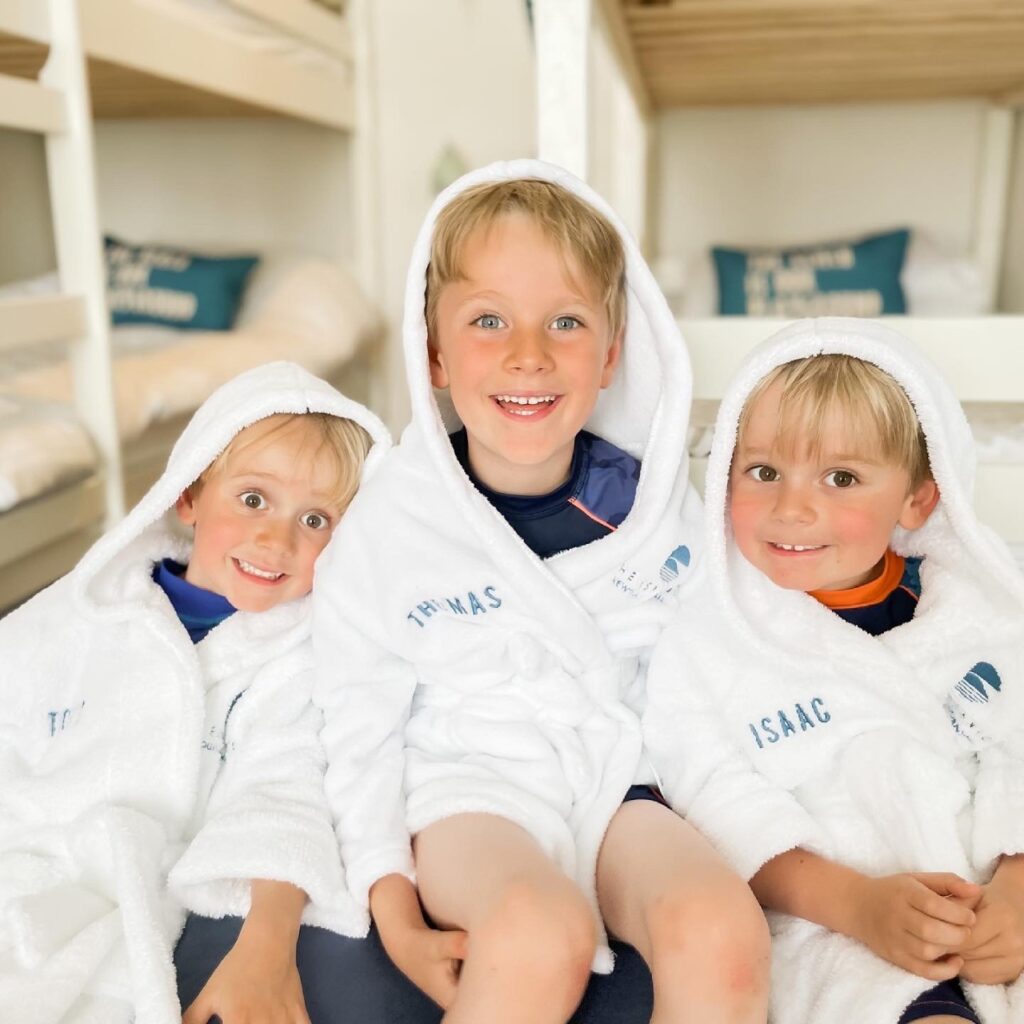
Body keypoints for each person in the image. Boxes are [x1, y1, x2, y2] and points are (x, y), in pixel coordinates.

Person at [314, 161, 770, 1024]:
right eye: (489, 320)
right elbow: (356, 724)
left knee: (721, 931)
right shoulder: (391, 525)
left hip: (619, 779)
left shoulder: (651, 506)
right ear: (435, 354)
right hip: (470, 789)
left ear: (611, 354)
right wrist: (391, 905)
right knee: (536, 932)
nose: (529, 354)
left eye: (565, 321)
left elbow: (719, 663)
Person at [0, 362, 423, 1024]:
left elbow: (285, 787)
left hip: (138, 895)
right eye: (253, 499)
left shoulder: (303, 653)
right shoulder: (86, 611)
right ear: (189, 496)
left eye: (315, 519)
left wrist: (266, 942)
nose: (276, 538)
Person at [644, 318, 1024, 1024]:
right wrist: (858, 904)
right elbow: (719, 803)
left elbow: (1015, 754)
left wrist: (1016, 893)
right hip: (834, 924)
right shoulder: (709, 641)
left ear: (918, 498)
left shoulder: (982, 615)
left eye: (842, 477)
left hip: (989, 913)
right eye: (763, 472)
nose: (793, 507)